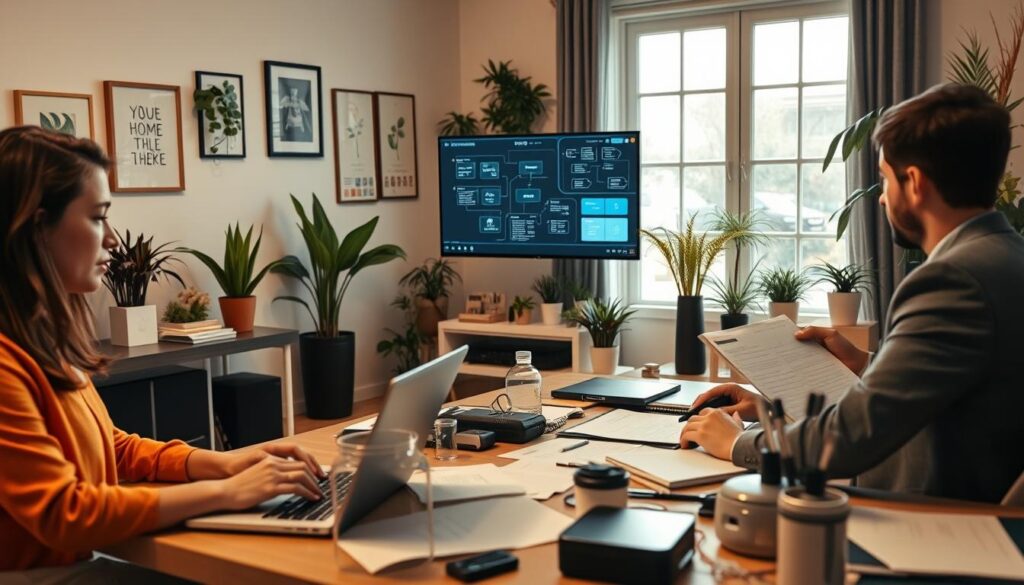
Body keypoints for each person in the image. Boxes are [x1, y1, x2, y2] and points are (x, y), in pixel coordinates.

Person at [0, 126, 325, 578]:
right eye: (97, 217)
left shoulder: (41, 342)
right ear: (37, 228)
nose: (112, 239)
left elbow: (111, 449)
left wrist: (224, 463)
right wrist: (227, 492)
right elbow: (65, 513)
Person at [680, 83, 1024, 503]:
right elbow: (957, 391)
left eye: (885, 179)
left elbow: (850, 439)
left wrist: (739, 443)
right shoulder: (1006, 256)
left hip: (932, 526)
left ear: (913, 182)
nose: (881, 199)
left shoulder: (953, 280)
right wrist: (864, 365)